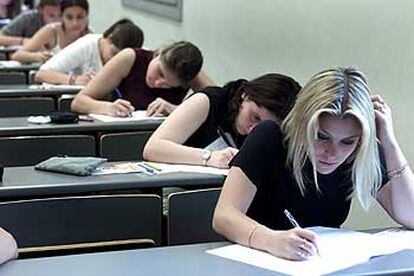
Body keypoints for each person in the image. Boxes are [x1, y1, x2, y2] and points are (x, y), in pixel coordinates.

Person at [213, 67, 414, 261]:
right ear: (302, 123)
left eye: (347, 141)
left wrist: (388, 140)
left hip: (317, 263)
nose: (332, 153)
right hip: (254, 260)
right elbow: (224, 216)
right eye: (321, 136)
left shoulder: (359, 152)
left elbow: (411, 216)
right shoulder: (270, 137)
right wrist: (271, 240)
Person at [143, 73, 301, 168]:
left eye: (265, 125)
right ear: (244, 96)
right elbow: (153, 148)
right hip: (177, 190)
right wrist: (209, 158)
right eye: (254, 117)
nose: (254, 129)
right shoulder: (208, 101)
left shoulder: (278, 132)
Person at [71, 41, 214, 117]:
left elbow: (219, 109)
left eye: (167, 86)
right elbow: (78, 102)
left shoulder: (191, 74)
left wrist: (176, 110)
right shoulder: (129, 58)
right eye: (160, 73)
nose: (157, 83)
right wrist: (107, 107)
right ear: (158, 53)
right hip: (118, 135)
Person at [35, 18, 144, 85]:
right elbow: (41, 74)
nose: (117, 61)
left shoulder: (139, 54)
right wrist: (74, 80)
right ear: (109, 39)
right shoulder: (87, 44)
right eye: (114, 54)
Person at [11, 0, 89, 63]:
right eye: (69, 17)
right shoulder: (50, 31)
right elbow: (17, 55)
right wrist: (37, 56)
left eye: (80, 17)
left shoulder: (90, 36)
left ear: (87, 16)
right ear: (62, 17)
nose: (75, 23)